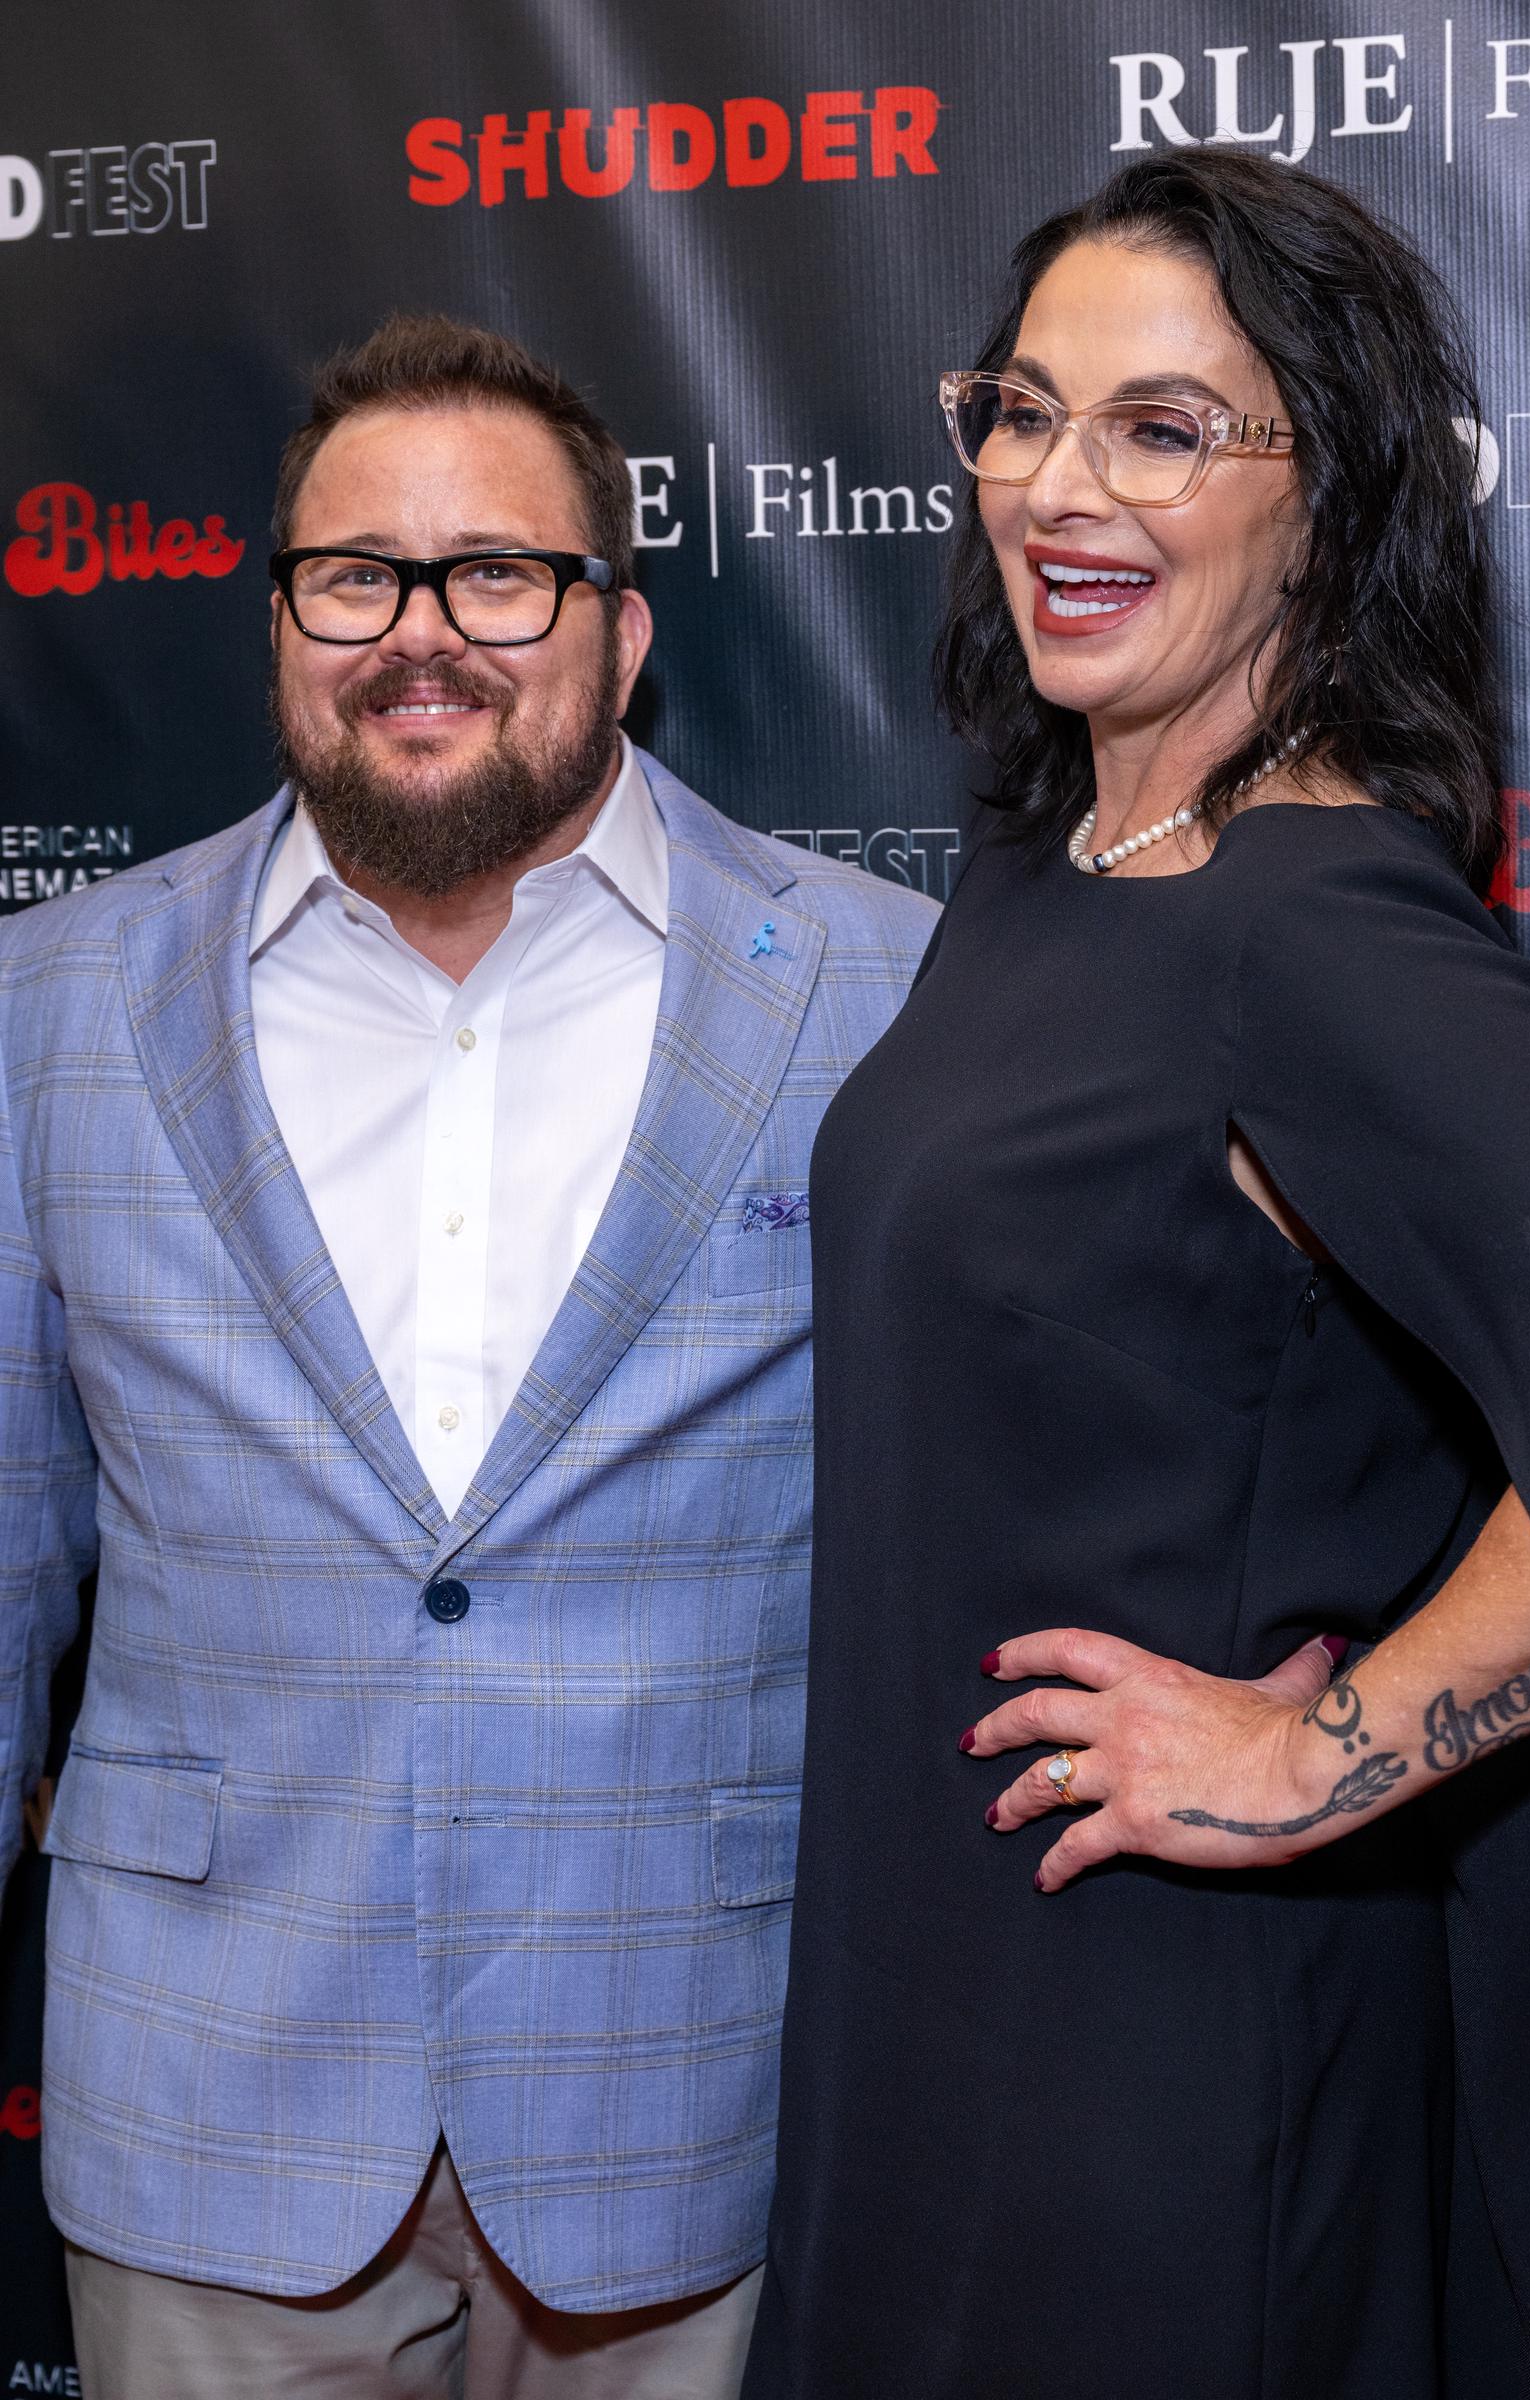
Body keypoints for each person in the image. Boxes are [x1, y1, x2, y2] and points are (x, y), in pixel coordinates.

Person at [742, 153, 1530, 2400]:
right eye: (1021, 409)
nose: (1057, 488)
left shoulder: (1308, 919)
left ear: (1332, 498)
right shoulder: (1055, 865)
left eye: (1164, 429)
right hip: (946, 2001)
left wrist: (1320, 1758)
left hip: (1161, 2088)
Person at [0, 314, 936, 2400]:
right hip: (201, 2107)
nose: (420, 634)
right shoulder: (47, 1005)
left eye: (496, 573)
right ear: (277, 622)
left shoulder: (882, 991)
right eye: (355, 576)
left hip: (697, 2100)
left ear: (619, 627)